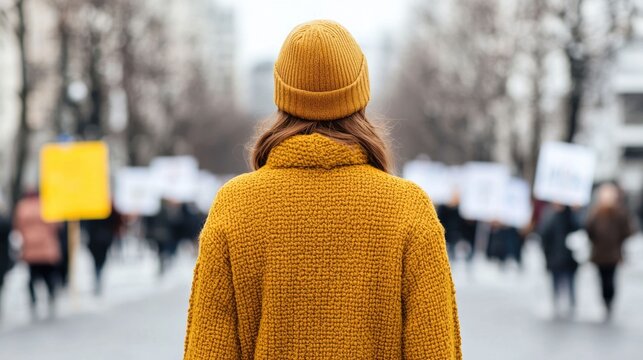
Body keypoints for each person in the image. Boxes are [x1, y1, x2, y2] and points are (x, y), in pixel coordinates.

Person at [184, 20, 461, 359]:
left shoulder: (235, 205)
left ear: (282, 97)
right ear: (360, 95)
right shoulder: (408, 208)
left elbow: (209, 350)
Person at [585, 183, 634, 320]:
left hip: (613, 253)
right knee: (602, 278)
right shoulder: (596, 212)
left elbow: (628, 230)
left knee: (610, 279)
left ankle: (609, 301)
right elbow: (589, 230)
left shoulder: (619, 213)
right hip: (599, 253)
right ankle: (605, 300)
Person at [14, 193, 61, 318]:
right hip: (46, 247)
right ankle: (51, 297)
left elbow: (18, 226)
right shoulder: (47, 206)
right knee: (48, 275)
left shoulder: (22, 207)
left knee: (32, 277)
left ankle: (33, 300)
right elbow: (55, 225)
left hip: (30, 248)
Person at [538, 204, 580, 317]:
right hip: (553, 255)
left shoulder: (571, 214)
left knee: (570, 281)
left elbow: (579, 228)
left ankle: (572, 304)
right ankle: (556, 302)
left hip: (569, 256)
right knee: (555, 280)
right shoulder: (549, 214)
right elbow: (543, 232)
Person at [84, 206, 122, 295]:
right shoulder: (97, 208)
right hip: (100, 239)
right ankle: (98, 276)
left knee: (98, 262)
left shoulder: (105, 208)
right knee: (99, 261)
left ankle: (98, 276)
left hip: (99, 239)